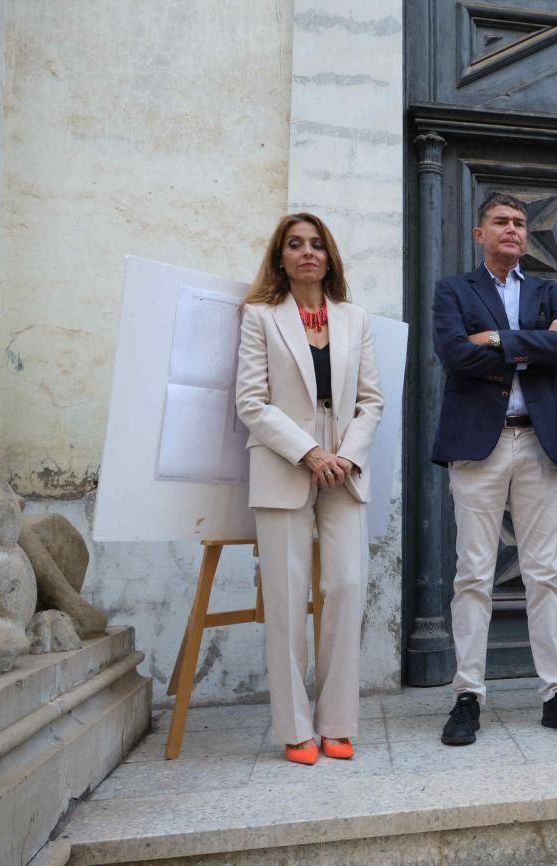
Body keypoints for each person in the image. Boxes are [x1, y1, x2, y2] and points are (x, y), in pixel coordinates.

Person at [431, 192, 557, 745]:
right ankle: (468, 695)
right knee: (474, 572)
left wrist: (499, 339)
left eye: (520, 223)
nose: (512, 230)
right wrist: (535, 346)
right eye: (501, 221)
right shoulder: (454, 290)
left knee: (544, 574)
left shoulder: (550, 290)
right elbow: (457, 356)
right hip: (480, 445)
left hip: (537, 443)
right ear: (480, 234)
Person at [236, 213, 384, 765]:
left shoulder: (355, 318)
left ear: (330, 256)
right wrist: (309, 451)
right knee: (286, 595)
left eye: (317, 244)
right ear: (280, 257)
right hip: (285, 459)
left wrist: (344, 455)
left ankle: (338, 722)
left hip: (344, 464)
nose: (307, 253)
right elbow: (251, 401)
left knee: (346, 586)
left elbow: (372, 400)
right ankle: (295, 728)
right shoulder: (260, 317)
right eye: (295, 245)